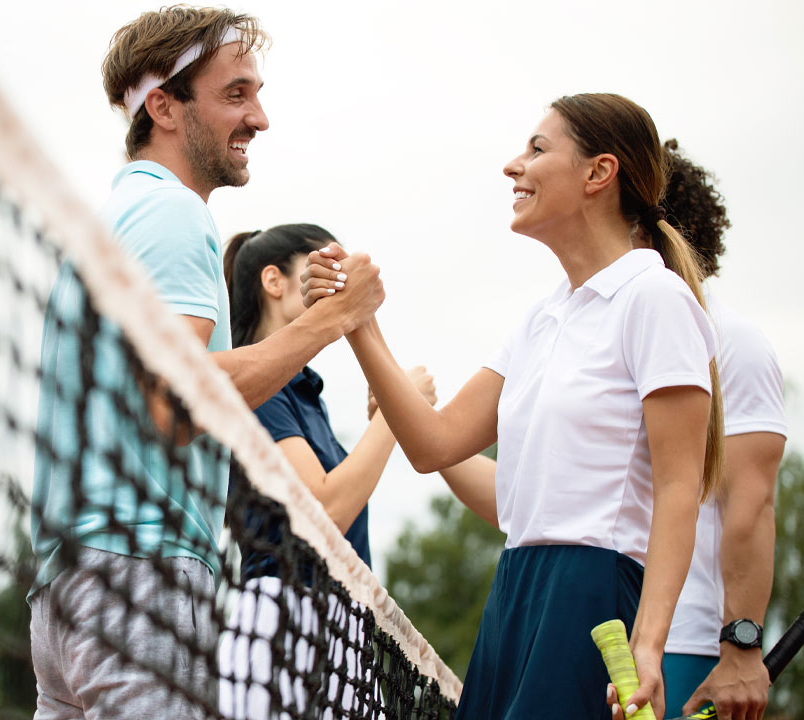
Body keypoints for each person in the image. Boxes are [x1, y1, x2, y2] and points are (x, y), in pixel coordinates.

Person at [304, 93, 724, 719]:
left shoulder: (655, 298)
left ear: (598, 172)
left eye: (537, 148)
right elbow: (434, 444)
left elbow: (678, 486)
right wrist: (356, 321)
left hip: (593, 596)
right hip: (515, 589)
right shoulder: (540, 317)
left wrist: (649, 643)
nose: (513, 165)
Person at [28, 9, 384, 719]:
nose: (259, 118)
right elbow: (179, 403)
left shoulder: (115, 220)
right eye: (235, 94)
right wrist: (335, 319)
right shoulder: (175, 214)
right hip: (141, 577)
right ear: (163, 107)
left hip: (66, 590)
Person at [215, 224, 435, 718]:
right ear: (274, 281)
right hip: (284, 618)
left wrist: (387, 417)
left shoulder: (305, 395)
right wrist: (396, 413)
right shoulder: (261, 390)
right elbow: (326, 510)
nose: (339, 281)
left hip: (342, 625)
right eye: (319, 267)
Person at [605, 144, 788, 720]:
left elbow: (750, 503)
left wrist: (741, 650)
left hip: (685, 649)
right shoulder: (607, 331)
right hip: (606, 628)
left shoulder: (733, 341)